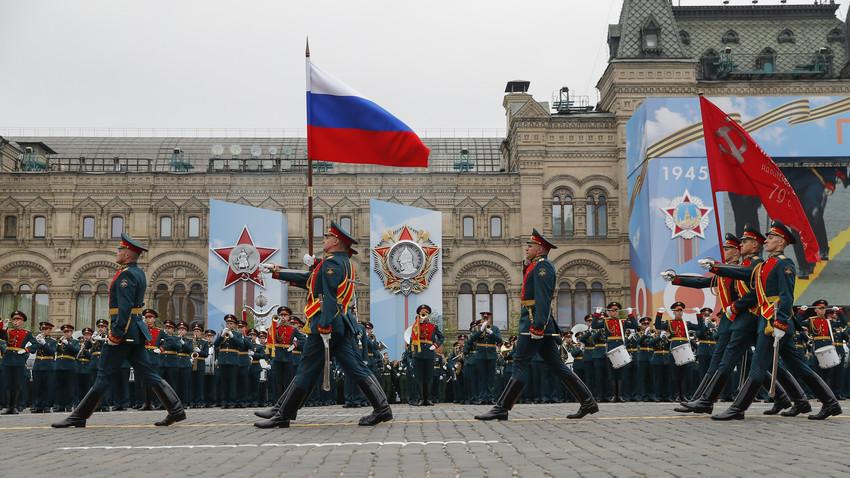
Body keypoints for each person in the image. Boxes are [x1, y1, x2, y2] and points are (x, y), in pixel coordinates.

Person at [253, 222, 392, 428]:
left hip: (326, 322)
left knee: (307, 368)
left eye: (327, 236)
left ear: (336, 241)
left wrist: (325, 325)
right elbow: (311, 280)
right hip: (339, 323)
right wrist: (278, 272)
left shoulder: (332, 264)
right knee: (354, 366)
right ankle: (382, 408)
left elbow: (329, 296)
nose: (324, 238)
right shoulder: (338, 263)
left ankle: (283, 414)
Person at [706, 222, 841, 420]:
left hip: (773, 321)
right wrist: (716, 268)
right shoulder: (767, 264)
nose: (766, 240)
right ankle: (830, 403)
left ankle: (738, 408)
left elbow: (786, 297)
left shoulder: (784, 264)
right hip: (767, 319)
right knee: (798, 366)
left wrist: (780, 322)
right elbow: (745, 274)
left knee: (758, 366)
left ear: (781, 242)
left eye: (770, 238)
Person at [52, 233, 185, 428]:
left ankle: (79, 416)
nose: (118, 251)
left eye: (121, 249)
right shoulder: (137, 272)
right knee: (148, 373)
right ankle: (176, 410)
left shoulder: (127, 275)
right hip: (134, 332)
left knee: (103, 374)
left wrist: (116, 333)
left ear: (129, 253)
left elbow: (125, 307)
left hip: (124, 333)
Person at [476, 229, 597, 421]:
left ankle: (502, 407)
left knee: (520, 363)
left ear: (540, 249)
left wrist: (538, 325)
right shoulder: (535, 265)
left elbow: (543, 297)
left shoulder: (544, 267)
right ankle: (588, 402)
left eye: (530, 245)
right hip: (536, 322)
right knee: (557, 365)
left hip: (534, 323)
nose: (526, 248)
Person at [2, 311, 37, 414]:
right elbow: (2, 339)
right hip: (7, 359)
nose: (16, 321)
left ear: (22, 322)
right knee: (7, 383)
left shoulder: (27, 333)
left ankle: (15, 406)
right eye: (14, 320)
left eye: (18, 320)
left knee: (17, 384)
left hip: (18, 360)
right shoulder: (7, 331)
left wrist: (26, 350)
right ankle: (8, 407)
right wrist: (3, 328)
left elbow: (35, 345)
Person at [409, 304, 445, 406]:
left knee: (429, 377)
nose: (424, 315)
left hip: (429, 353)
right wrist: (417, 325)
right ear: (419, 314)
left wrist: (436, 345)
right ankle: (421, 399)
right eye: (422, 313)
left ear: (428, 315)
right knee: (419, 377)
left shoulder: (433, 326)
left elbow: (441, 337)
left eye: (425, 313)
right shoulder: (415, 326)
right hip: (419, 353)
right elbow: (412, 339)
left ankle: (428, 399)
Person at [470, 311, 502, 404]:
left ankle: (490, 397)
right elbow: (472, 340)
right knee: (481, 377)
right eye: (484, 318)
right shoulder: (477, 328)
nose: (485, 319)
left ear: (490, 318)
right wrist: (480, 330)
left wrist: (491, 332)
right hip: (480, 355)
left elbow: (500, 340)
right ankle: (482, 397)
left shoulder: (495, 328)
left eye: (487, 318)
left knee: (491, 377)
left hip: (491, 355)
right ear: (481, 318)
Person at [31, 321, 57, 413]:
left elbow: (52, 351)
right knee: (37, 386)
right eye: (43, 329)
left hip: (48, 365)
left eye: (46, 329)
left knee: (47, 386)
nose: (44, 331)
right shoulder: (38, 339)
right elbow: (33, 351)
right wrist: (34, 342)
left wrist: (44, 343)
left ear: (50, 330)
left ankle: (46, 405)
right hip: (38, 365)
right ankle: (37, 405)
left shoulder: (53, 341)